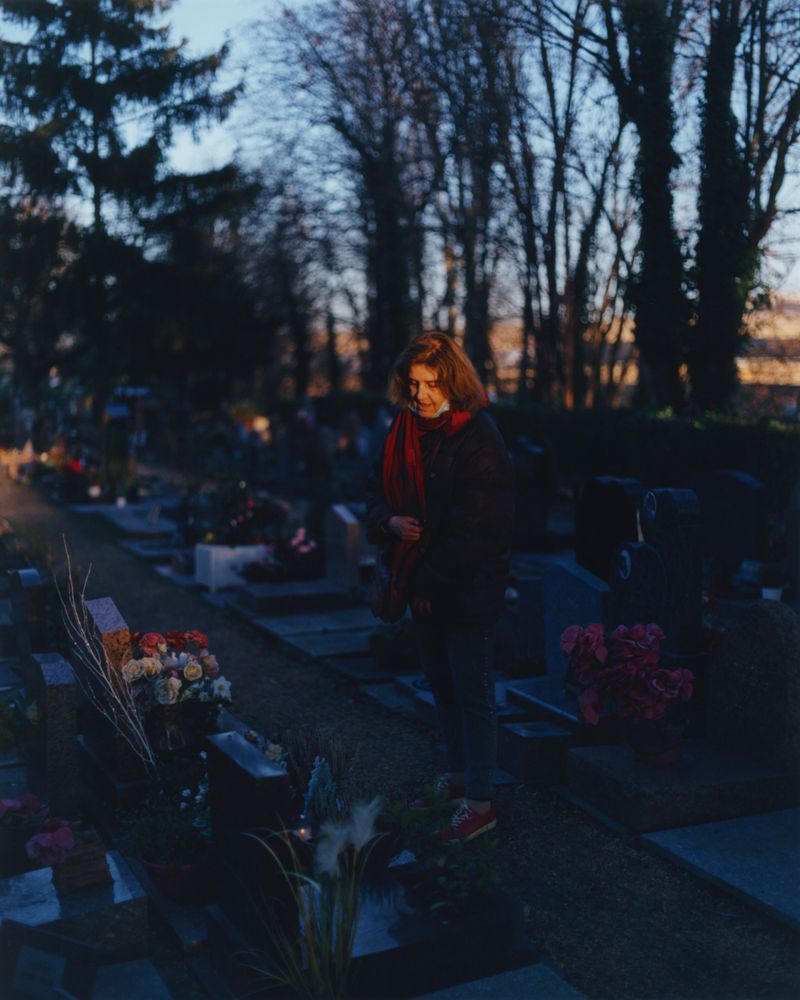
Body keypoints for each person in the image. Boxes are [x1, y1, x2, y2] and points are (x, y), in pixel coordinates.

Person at [366, 333, 515, 841]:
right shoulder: (403, 428)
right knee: (442, 688)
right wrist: (388, 522)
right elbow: (374, 492)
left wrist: (427, 581)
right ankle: (456, 779)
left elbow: (478, 528)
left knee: (473, 693)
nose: (420, 394)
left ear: (451, 380)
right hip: (419, 581)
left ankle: (480, 801)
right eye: (412, 383)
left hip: (466, 586)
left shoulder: (478, 436)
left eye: (430, 383)